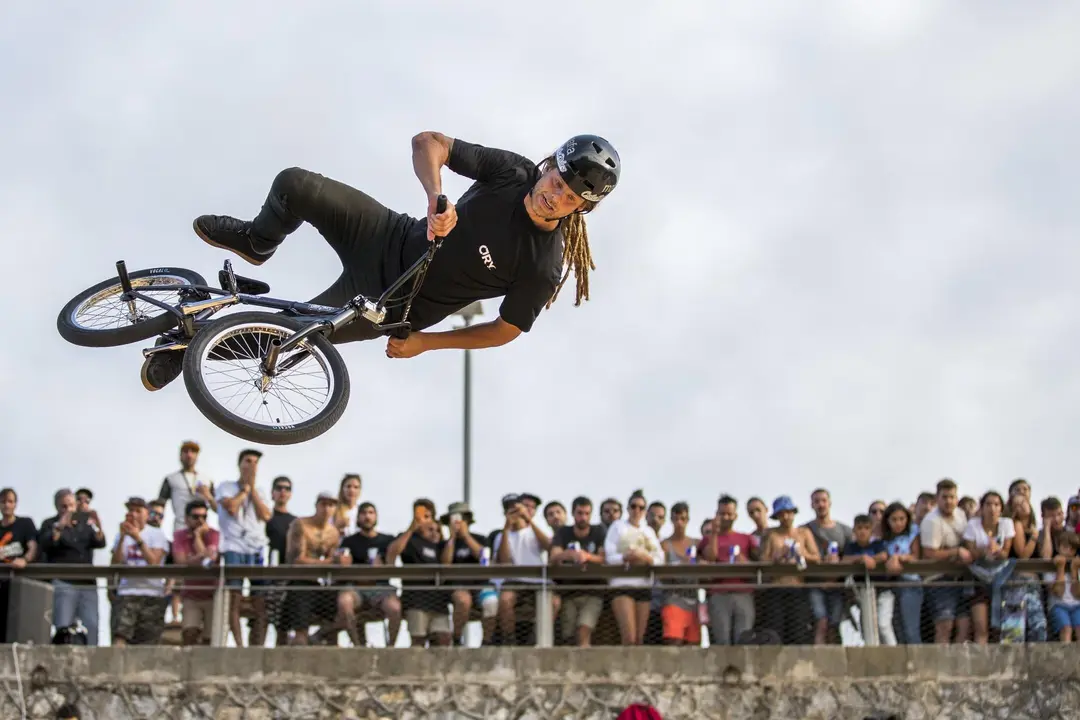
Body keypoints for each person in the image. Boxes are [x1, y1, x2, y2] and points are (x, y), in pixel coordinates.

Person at [140, 132, 621, 390]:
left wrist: (428, 343)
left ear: (583, 207)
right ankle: (256, 242)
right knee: (296, 184)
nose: (553, 198)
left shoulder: (543, 265)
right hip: (385, 235)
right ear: (548, 168)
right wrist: (437, 198)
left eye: (570, 197)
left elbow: (506, 329)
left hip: (389, 305)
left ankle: (183, 352)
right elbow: (429, 143)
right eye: (556, 182)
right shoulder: (512, 172)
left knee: (281, 340)